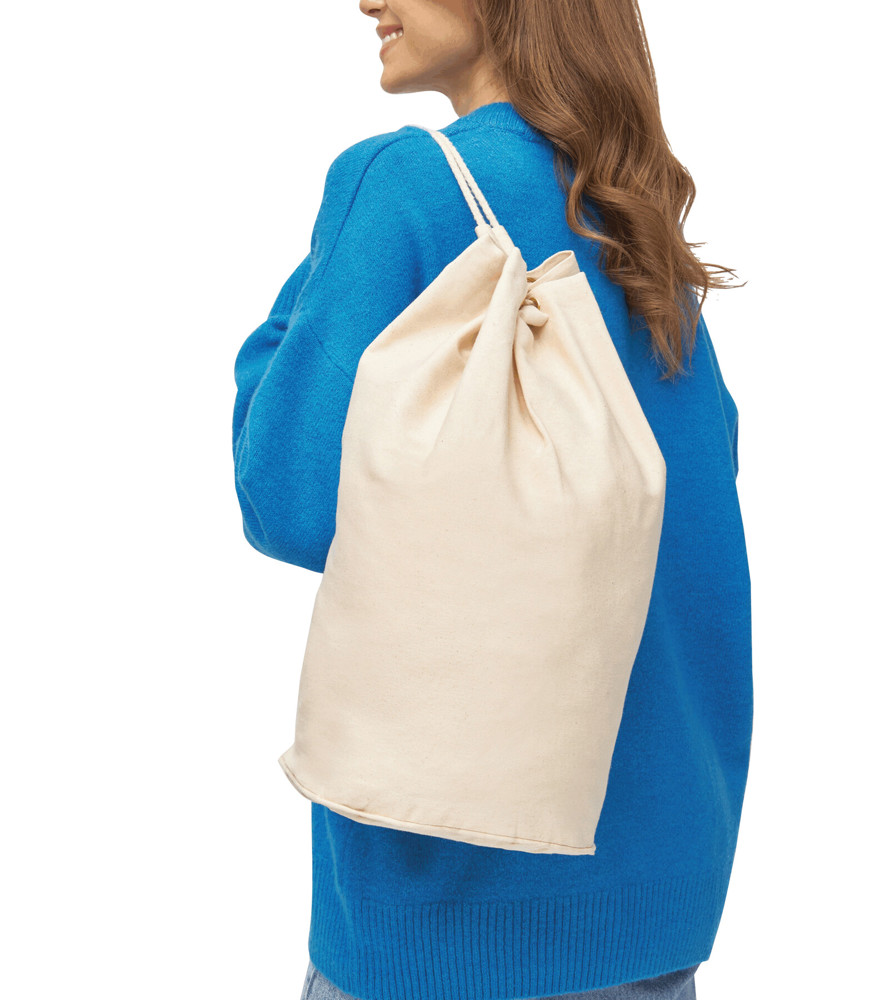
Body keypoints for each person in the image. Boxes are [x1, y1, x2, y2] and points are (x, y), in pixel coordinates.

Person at [231, 1, 752, 998]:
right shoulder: (635, 215)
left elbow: (287, 498)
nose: (367, 0)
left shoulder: (404, 183)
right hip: (659, 907)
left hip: (447, 928)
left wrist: (290, 322)